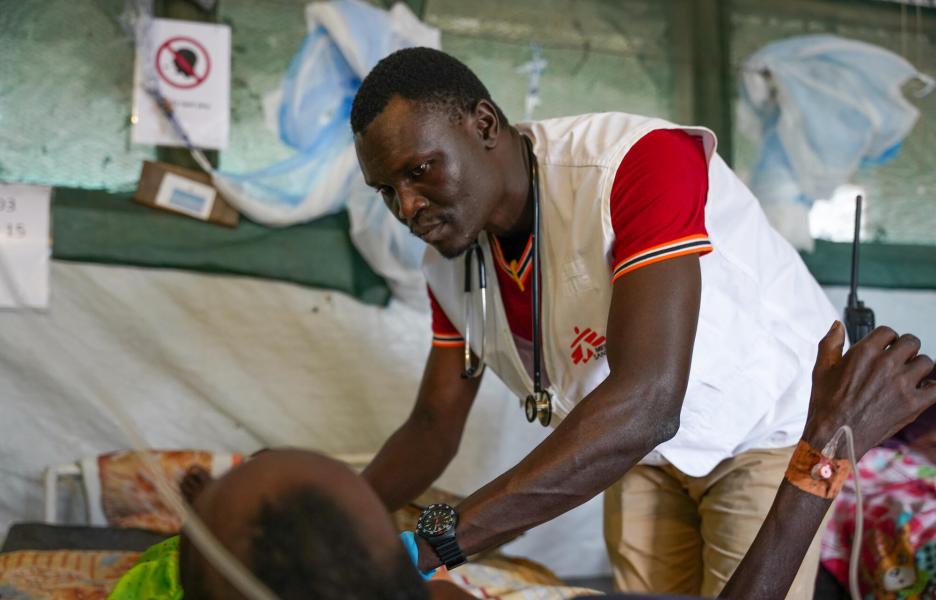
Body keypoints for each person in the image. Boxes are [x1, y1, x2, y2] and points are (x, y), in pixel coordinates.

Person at [350, 47, 842, 597]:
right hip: (639, 453)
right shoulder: (451, 266)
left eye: (419, 171)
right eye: (387, 191)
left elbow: (650, 399)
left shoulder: (636, 162)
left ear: (484, 124)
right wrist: (332, 517)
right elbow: (432, 425)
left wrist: (439, 540)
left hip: (762, 429)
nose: (408, 206)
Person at [115, 322, 935, 600]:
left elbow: (424, 535)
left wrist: (442, 533)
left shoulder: (388, 565)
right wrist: (828, 447)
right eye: (363, 503)